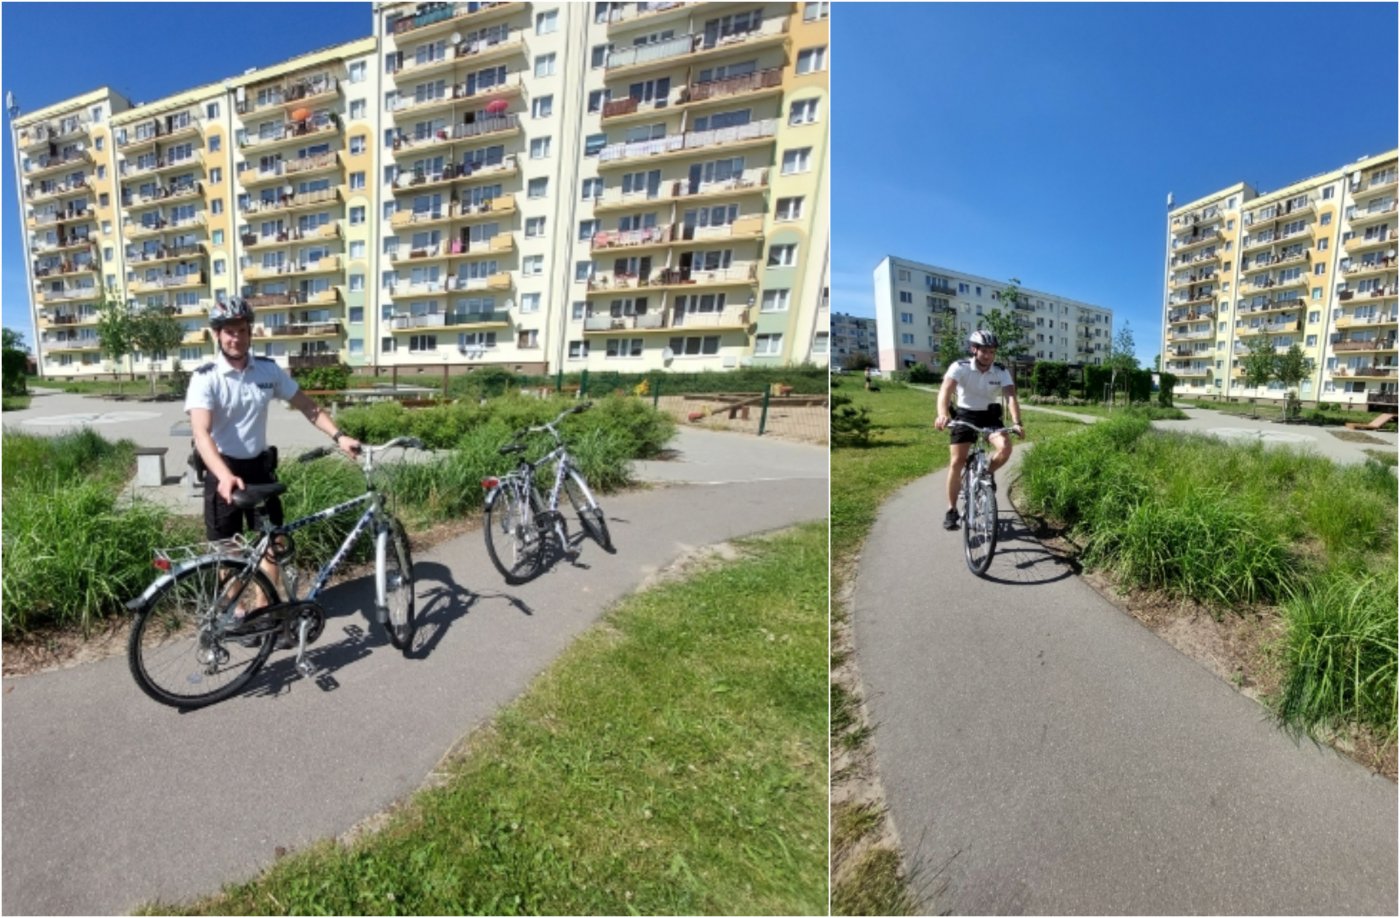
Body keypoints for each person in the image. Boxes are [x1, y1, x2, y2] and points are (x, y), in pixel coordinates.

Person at [186, 297, 361, 629]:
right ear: (217, 336)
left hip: (258, 470)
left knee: (273, 543)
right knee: (229, 551)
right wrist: (223, 475)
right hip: (222, 470)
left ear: (250, 332)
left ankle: (264, 610)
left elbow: (309, 407)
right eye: (228, 332)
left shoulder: (267, 371)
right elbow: (201, 434)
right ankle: (236, 612)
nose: (235, 337)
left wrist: (339, 436)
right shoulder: (205, 377)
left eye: (241, 330)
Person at [933, 330, 1024, 531]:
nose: (989, 356)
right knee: (956, 462)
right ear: (974, 350)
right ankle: (951, 510)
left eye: (992, 351)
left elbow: (1010, 397)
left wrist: (1017, 422)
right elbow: (945, 392)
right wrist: (942, 414)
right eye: (984, 351)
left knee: (1006, 448)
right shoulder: (960, 367)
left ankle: (986, 473)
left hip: (990, 416)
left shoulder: (1000, 370)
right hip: (965, 415)